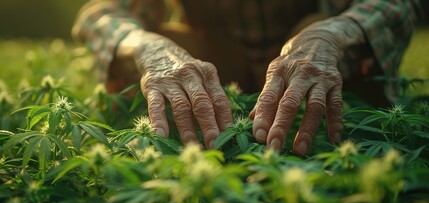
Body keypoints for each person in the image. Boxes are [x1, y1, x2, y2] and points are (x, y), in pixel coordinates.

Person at [72, 0, 421, 156]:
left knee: (313, 29)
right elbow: (100, 15)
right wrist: (148, 47)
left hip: (309, 67)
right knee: (171, 40)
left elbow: (398, 4)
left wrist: (332, 33)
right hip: (215, 66)